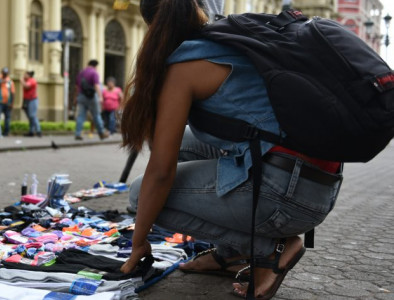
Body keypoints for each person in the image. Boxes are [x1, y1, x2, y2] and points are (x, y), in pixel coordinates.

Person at [119, 0, 342, 299]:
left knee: (140, 195)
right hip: (317, 183)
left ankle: (271, 249)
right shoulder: (225, 38)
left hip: (288, 197)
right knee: (180, 143)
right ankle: (231, 254)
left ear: (152, 27)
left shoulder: (184, 66)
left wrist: (139, 241)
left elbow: (160, 173)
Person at [74, 60, 108, 141]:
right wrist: (100, 97)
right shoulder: (94, 73)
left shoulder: (81, 73)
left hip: (81, 96)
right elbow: (96, 85)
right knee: (96, 115)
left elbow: (76, 87)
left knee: (81, 116)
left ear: (88, 64)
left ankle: (78, 133)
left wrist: (75, 97)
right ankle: (101, 133)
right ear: (95, 66)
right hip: (92, 97)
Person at [0, 67, 16, 138]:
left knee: (7, 118)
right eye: (4, 73)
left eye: (6, 73)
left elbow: (13, 93)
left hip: (7, 102)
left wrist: (12, 103)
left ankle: (6, 132)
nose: (5, 74)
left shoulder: (10, 81)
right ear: (2, 72)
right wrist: (1, 82)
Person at [22, 71, 42, 137]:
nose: (24, 75)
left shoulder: (31, 80)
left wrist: (21, 81)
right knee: (30, 117)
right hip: (27, 100)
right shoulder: (27, 80)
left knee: (32, 116)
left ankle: (38, 130)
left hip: (32, 100)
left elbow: (26, 86)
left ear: (29, 75)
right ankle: (31, 131)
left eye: (25, 74)